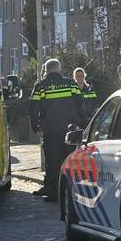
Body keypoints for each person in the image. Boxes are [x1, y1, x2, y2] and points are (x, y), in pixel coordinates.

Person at [30, 58, 86, 202]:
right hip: (70, 130)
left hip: (50, 130)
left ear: (46, 70)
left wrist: (35, 128)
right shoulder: (70, 84)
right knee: (69, 160)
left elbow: (33, 108)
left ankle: (54, 193)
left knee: (53, 161)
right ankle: (71, 191)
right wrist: (83, 124)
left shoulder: (40, 86)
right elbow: (81, 104)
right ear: (59, 69)